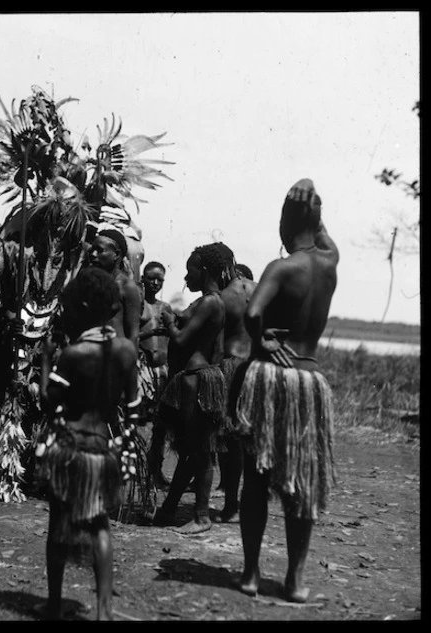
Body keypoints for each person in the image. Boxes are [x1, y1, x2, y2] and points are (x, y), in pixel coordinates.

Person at [233, 178, 338, 603]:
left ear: (286, 220)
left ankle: (251, 574)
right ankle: (294, 580)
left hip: (274, 377)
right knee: (302, 482)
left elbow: (252, 313)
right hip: (310, 380)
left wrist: (267, 341)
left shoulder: (282, 268)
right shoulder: (330, 261)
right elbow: (322, 233)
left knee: (257, 477)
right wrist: (311, 202)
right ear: (316, 219)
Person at [35, 267, 140, 620]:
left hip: (71, 451)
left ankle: (53, 605)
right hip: (103, 451)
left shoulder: (75, 353)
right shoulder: (126, 351)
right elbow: (134, 405)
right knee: (99, 526)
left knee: (59, 526)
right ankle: (104, 610)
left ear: (81, 306)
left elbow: (49, 400)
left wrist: (47, 358)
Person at [152, 242, 232, 534]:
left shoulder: (211, 301)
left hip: (197, 378)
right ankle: (169, 509)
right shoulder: (212, 301)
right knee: (191, 449)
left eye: (191, 271)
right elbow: (214, 348)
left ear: (206, 270)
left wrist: (170, 321)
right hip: (198, 376)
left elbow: (183, 340)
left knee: (200, 451)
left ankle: (201, 516)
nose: (186, 277)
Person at [214, 252, 257, 524]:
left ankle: (231, 505)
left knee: (228, 440)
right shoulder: (258, 289)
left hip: (230, 367)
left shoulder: (222, 297)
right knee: (249, 440)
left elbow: (216, 344)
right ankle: (248, 503)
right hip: (255, 367)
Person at [137, 261, 174, 489]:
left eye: (160, 279)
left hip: (163, 370)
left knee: (160, 424)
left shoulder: (166, 307)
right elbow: (131, 334)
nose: (155, 283)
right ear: (143, 278)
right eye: (151, 278)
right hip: (142, 371)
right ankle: (135, 471)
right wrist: (150, 332)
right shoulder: (138, 305)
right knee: (139, 422)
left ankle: (156, 472)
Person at [88, 227, 142, 348]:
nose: (93, 254)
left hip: (115, 357)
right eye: (92, 250)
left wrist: (128, 363)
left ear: (116, 255)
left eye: (99, 250)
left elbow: (133, 334)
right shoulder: (92, 284)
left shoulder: (127, 287)